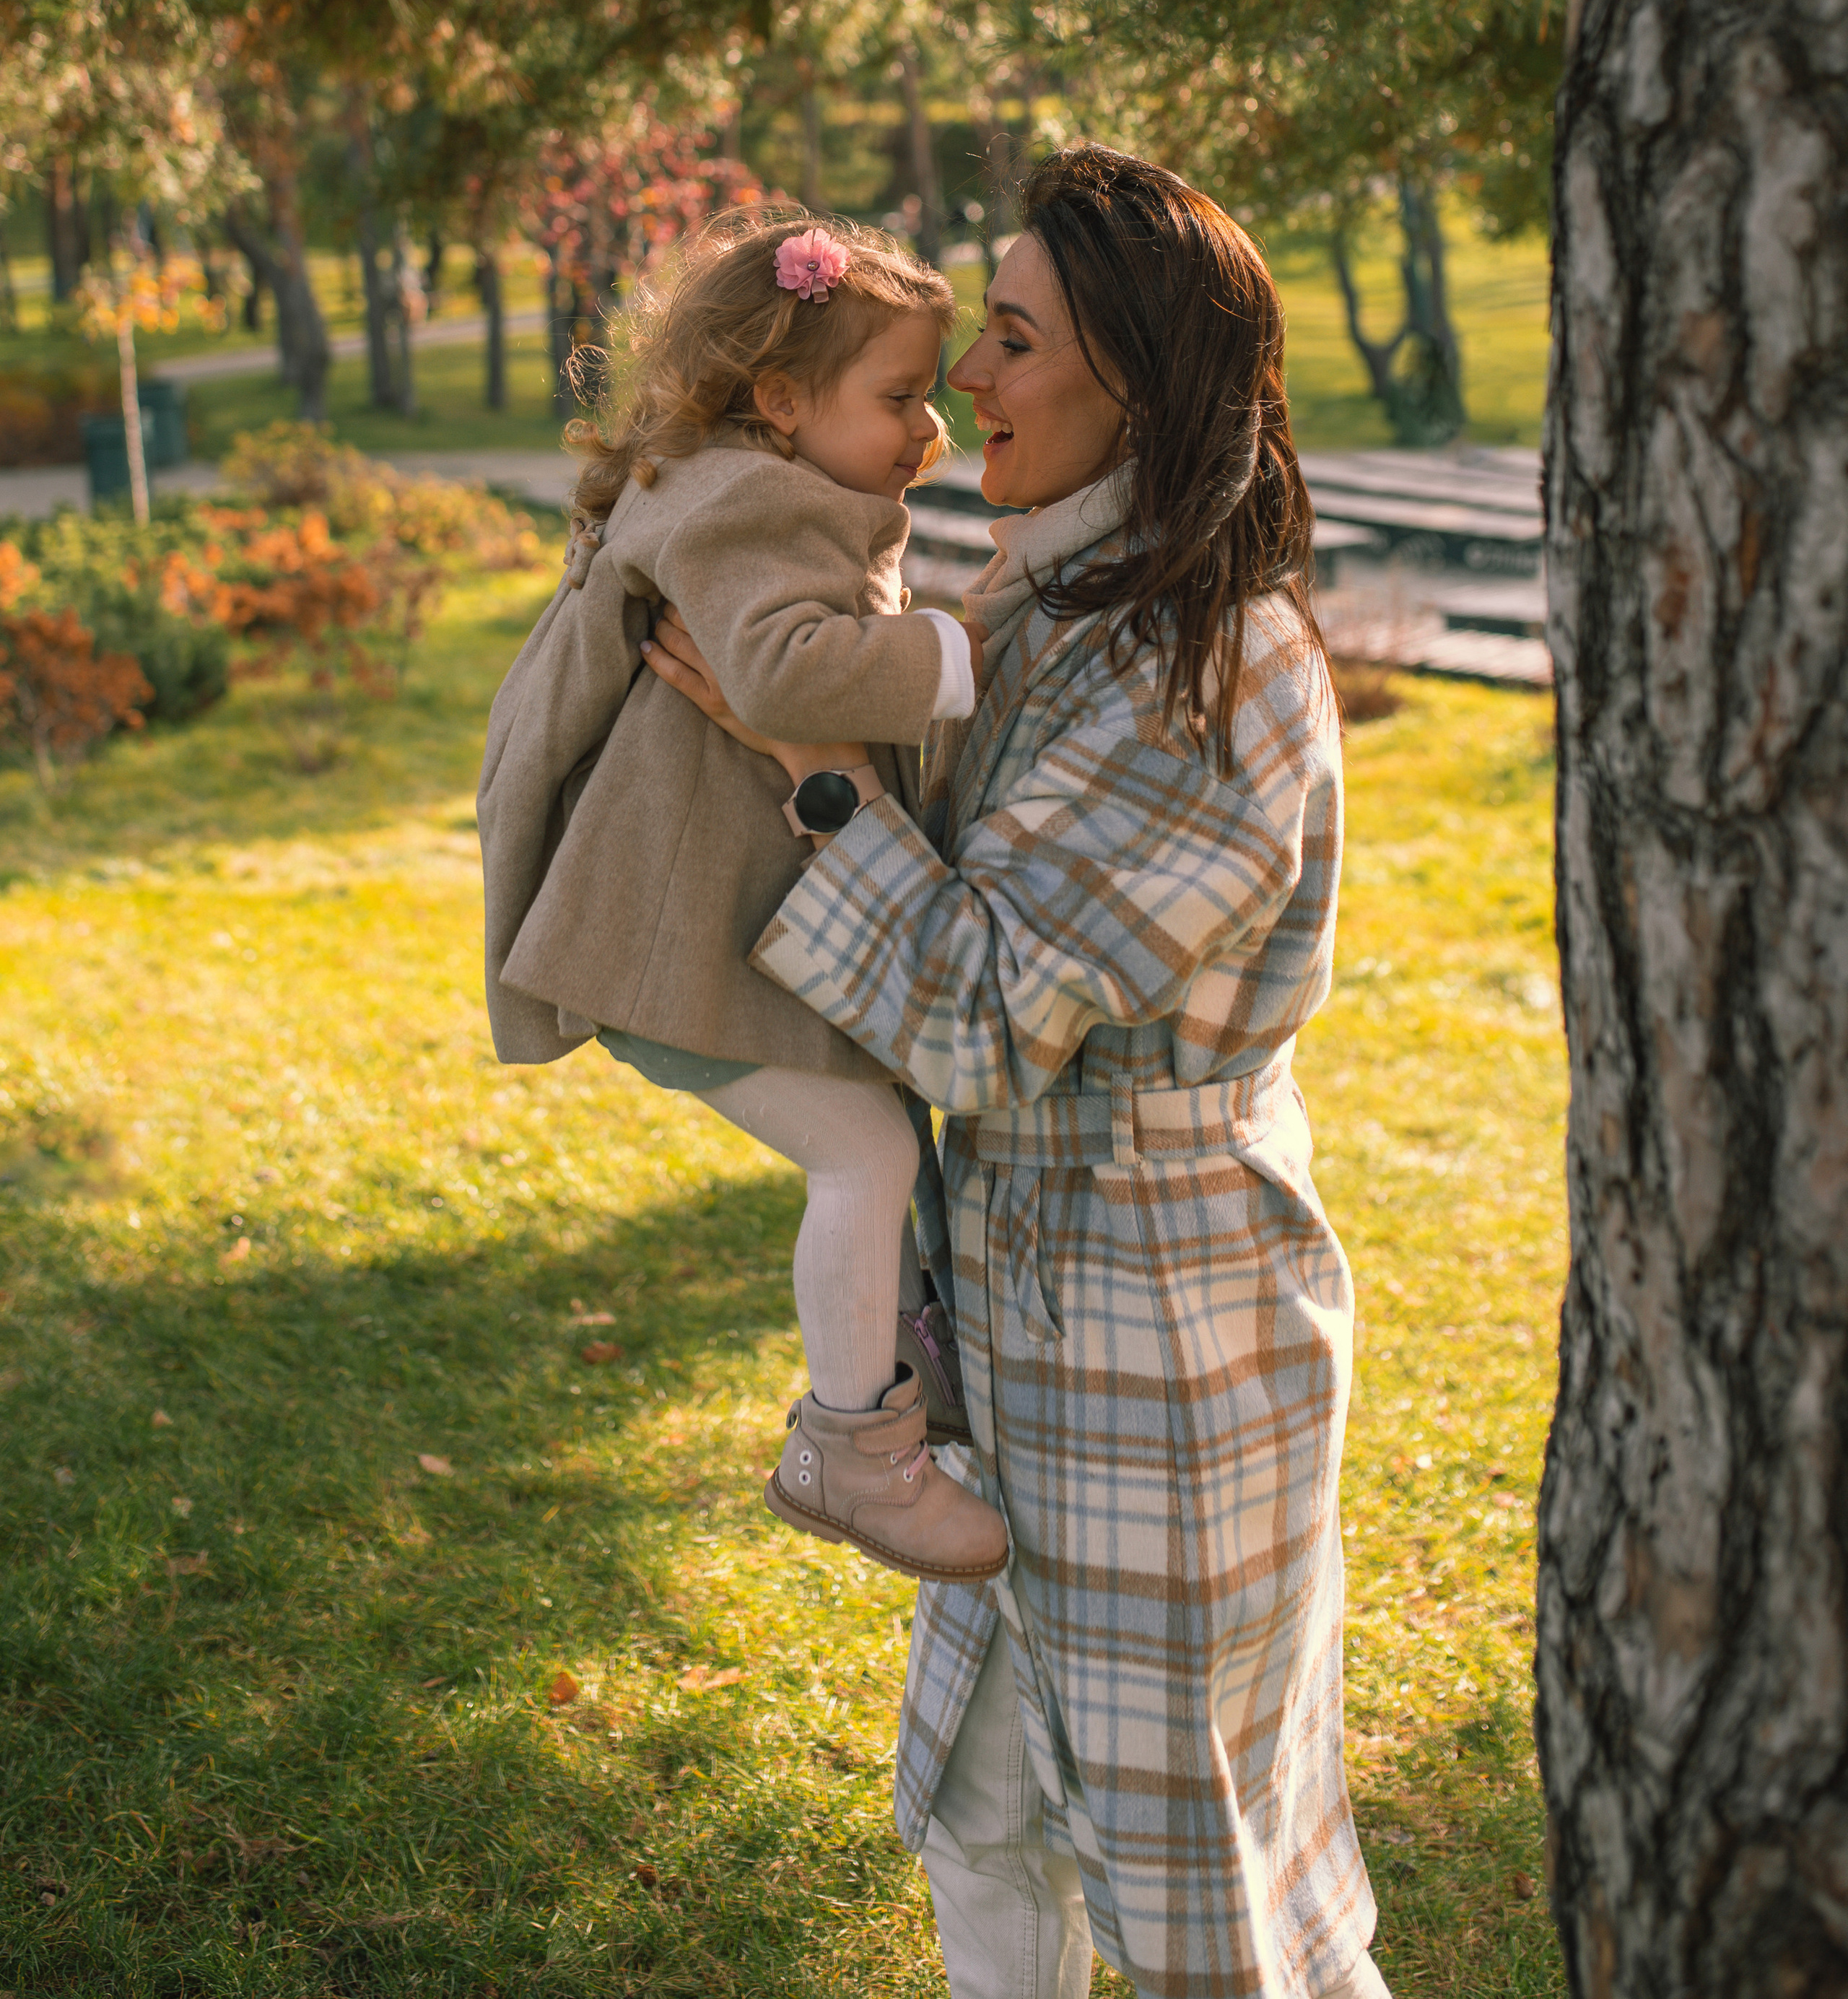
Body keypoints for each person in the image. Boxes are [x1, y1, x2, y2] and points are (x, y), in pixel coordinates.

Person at [640, 146, 1390, 1999]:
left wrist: (805, 762)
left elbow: (971, 1015)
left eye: (1009, 337)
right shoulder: (1046, 604)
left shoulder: (1210, 675)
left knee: (1204, 1897)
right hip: (1019, 1302)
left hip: (1162, 1339)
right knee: (981, 1820)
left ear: (1130, 378)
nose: (967, 377)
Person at [476, 212, 1006, 1585]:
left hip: (700, 933)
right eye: (897, 398)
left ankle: (907, 1366)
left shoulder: (735, 485)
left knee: (878, 1133)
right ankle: (853, 1452)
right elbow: (775, 671)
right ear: (780, 398)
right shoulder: (750, 500)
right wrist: (959, 656)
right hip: (669, 944)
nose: (931, 431)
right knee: (867, 1156)